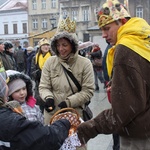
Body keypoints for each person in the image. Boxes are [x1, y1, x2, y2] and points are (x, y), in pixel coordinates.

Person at [77, 0, 150, 149]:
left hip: (138, 135)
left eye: (107, 28)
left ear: (122, 21)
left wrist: (87, 129)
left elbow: (124, 110)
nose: (103, 35)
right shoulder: (143, 39)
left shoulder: (125, 48)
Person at [39, 16, 94, 126]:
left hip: (74, 113)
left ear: (73, 45)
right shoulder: (50, 62)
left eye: (64, 45)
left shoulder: (85, 63)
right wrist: (48, 97)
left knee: (76, 142)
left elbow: (88, 91)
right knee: (53, 143)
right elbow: (44, 86)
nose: (61, 49)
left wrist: (69, 102)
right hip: (53, 113)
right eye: (58, 45)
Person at [0, 74, 71, 150]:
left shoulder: (33, 107)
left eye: (24, 89)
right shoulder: (10, 113)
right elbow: (40, 137)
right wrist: (63, 124)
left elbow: (41, 124)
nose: (22, 93)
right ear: (9, 94)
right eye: (17, 91)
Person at [31, 38, 54, 113]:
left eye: (47, 45)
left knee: (51, 106)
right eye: (44, 45)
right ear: (40, 47)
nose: (46, 47)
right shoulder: (36, 58)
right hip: (40, 84)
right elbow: (32, 72)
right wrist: (38, 73)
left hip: (52, 85)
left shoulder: (53, 57)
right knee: (41, 107)